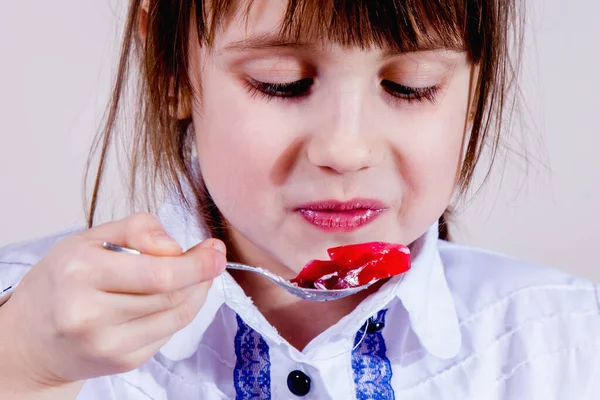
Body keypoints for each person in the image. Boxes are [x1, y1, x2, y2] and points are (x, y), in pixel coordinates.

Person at [1, 0, 599, 399]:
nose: (346, 147)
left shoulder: (567, 341)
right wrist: (24, 369)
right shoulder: (25, 315)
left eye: (410, 86)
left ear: (470, 95)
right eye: (281, 82)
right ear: (173, 73)